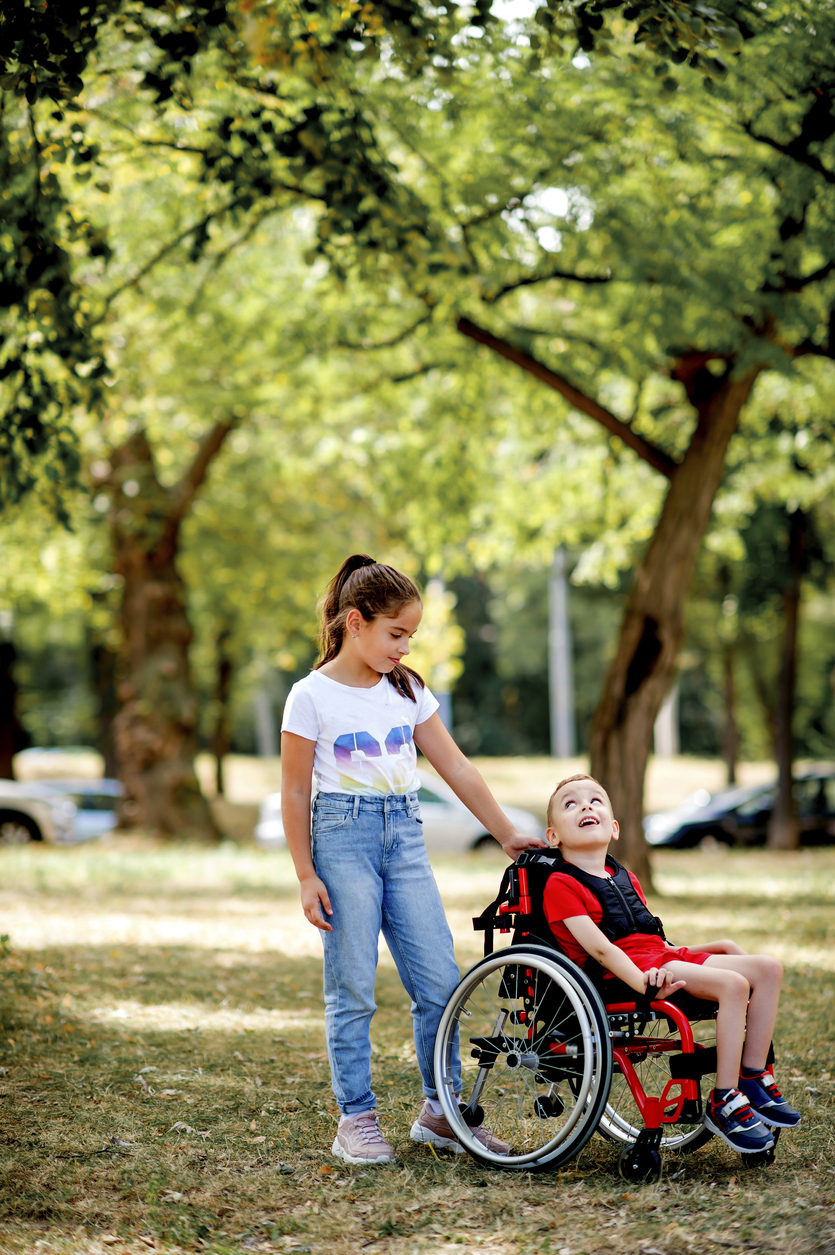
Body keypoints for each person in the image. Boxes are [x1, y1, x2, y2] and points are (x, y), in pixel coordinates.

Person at [280, 554, 544, 1166]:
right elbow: (294, 791)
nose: (404, 648)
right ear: (355, 622)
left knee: (440, 984)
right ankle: (357, 1118)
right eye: (396, 634)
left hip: (405, 839)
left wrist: (506, 833)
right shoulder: (310, 696)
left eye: (411, 637)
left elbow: (455, 766)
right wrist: (304, 873)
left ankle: (441, 1112)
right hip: (341, 840)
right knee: (352, 988)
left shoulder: (408, 690)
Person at [542, 773, 801, 1156]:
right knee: (732, 985)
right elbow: (601, 950)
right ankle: (724, 1099)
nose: (585, 806)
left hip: (660, 956)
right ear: (553, 837)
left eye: (595, 800)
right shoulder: (560, 885)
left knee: (767, 969)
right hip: (624, 972)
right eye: (570, 804)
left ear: (613, 828)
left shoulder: (623, 876)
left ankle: (753, 1075)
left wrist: (707, 947)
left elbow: (654, 940)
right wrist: (643, 982)